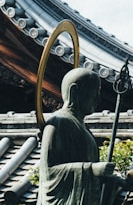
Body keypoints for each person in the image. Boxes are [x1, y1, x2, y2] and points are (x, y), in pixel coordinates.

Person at [37, 68, 116, 205]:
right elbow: (49, 173)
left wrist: (115, 180)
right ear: (74, 91)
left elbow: (93, 176)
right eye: (94, 94)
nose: (98, 100)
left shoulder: (83, 127)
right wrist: (92, 169)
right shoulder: (59, 122)